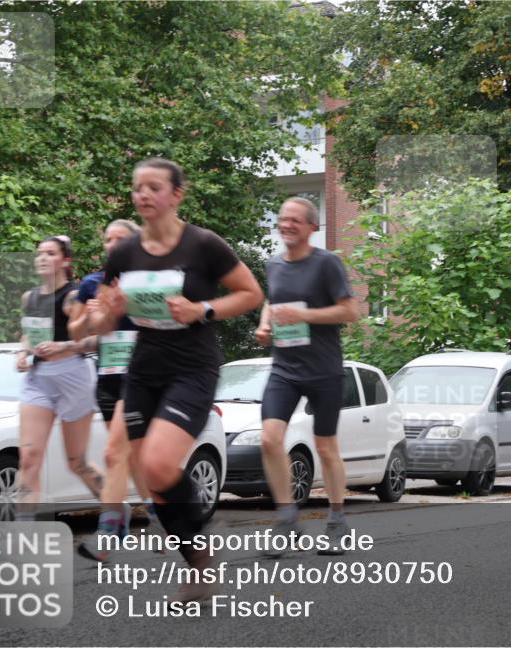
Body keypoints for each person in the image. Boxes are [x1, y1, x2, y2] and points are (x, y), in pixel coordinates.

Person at [91, 158, 263, 600]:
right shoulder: (123, 254)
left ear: (176, 196)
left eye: (153, 187)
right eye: (137, 189)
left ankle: (200, 537)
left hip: (193, 367)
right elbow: (106, 320)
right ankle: (198, 563)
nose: (143, 195)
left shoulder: (203, 245)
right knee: (150, 476)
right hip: (145, 367)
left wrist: (202, 310)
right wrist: (106, 314)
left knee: (158, 465)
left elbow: (251, 294)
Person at [254, 196, 358, 557]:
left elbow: (350, 311)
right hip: (284, 368)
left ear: (312, 227)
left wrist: (305, 317)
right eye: (283, 219)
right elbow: (273, 300)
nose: (287, 225)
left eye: (296, 220)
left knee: (326, 447)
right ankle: (286, 519)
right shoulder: (272, 264)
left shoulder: (327, 263)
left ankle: (337, 520)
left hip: (324, 369)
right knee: (269, 439)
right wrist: (265, 324)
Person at [70, 219, 164, 561]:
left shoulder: (148, 283)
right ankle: (158, 515)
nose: (112, 244)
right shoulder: (92, 284)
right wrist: (92, 315)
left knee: (114, 453)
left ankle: (108, 531)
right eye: (108, 239)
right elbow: (77, 334)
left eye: (120, 239)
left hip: (140, 376)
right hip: (108, 377)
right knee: (130, 455)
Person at [15, 236, 102, 519]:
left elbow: (92, 339)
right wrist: (21, 353)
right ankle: (21, 536)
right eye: (39, 253)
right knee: (28, 458)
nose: (41, 258)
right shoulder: (30, 297)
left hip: (73, 377)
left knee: (76, 463)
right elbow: (29, 331)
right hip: (40, 378)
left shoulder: (73, 297)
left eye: (49, 253)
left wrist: (63, 345)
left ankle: (115, 509)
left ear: (65, 261)